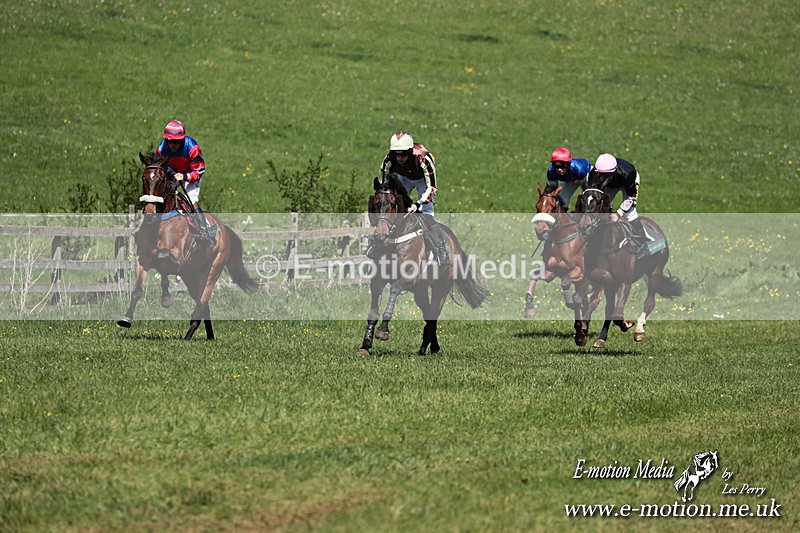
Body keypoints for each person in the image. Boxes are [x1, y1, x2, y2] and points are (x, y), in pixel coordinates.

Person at [376, 131, 450, 267]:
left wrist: (417, 203)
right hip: (403, 178)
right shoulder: (388, 160)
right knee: (392, 208)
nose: (400, 158)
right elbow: (385, 184)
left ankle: (442, 249)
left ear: (410, 152)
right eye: (397, 154)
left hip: (423, 181)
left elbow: (432, 187)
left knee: (427, 214)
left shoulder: (423, 159)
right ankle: (379, 243)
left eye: (404, 154)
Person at [156, 120, 214, 245]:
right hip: (172, 173)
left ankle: (205, 231)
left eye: (176, 141)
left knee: (192, 201)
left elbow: (200, 170)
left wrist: (185, 176)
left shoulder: (192, 147)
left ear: (182, 140)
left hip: (190, 174)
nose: (173, 145)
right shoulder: (161, 149)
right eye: (170, 141)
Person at [587, 153, 652, 248]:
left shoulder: (628, 174)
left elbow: (631, 196)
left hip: (628, 183)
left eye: (605, 175)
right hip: (612, 185)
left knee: (630, 212)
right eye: (599, 174)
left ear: (613, 173)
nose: (601, 178)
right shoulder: (593, 175)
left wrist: (619, 213)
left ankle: (644, 238)